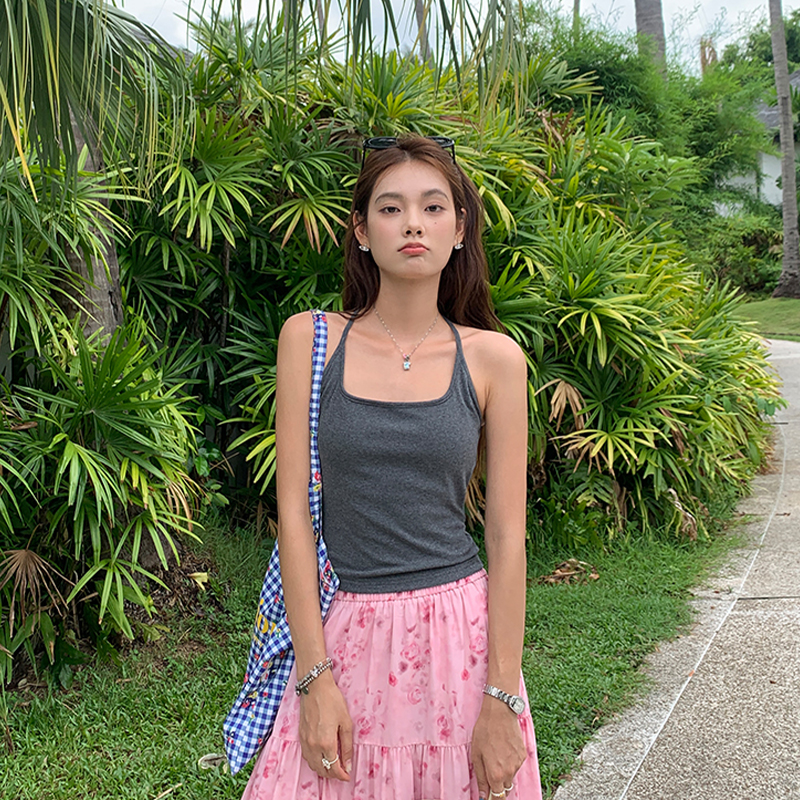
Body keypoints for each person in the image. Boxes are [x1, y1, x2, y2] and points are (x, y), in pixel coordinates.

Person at [241, 135, 542, 800]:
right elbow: (293, 517)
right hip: (342, 632)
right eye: (390, 208)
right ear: (360, 230)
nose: (412, 224)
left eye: (433, 207)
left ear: (459, 230)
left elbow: (506, 537)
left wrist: (502, 697)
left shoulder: (494, 359)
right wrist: (314, 680)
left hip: (459, 643)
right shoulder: (310, 341)